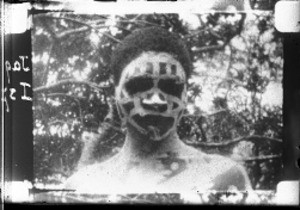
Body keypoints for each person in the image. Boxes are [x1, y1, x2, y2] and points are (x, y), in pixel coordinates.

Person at [65, 27, 254, 198]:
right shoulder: (83, 186)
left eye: (170, 87)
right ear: (116, 95)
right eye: (139, 85)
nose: (157, 100)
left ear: (185, 96)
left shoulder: (221, 176)